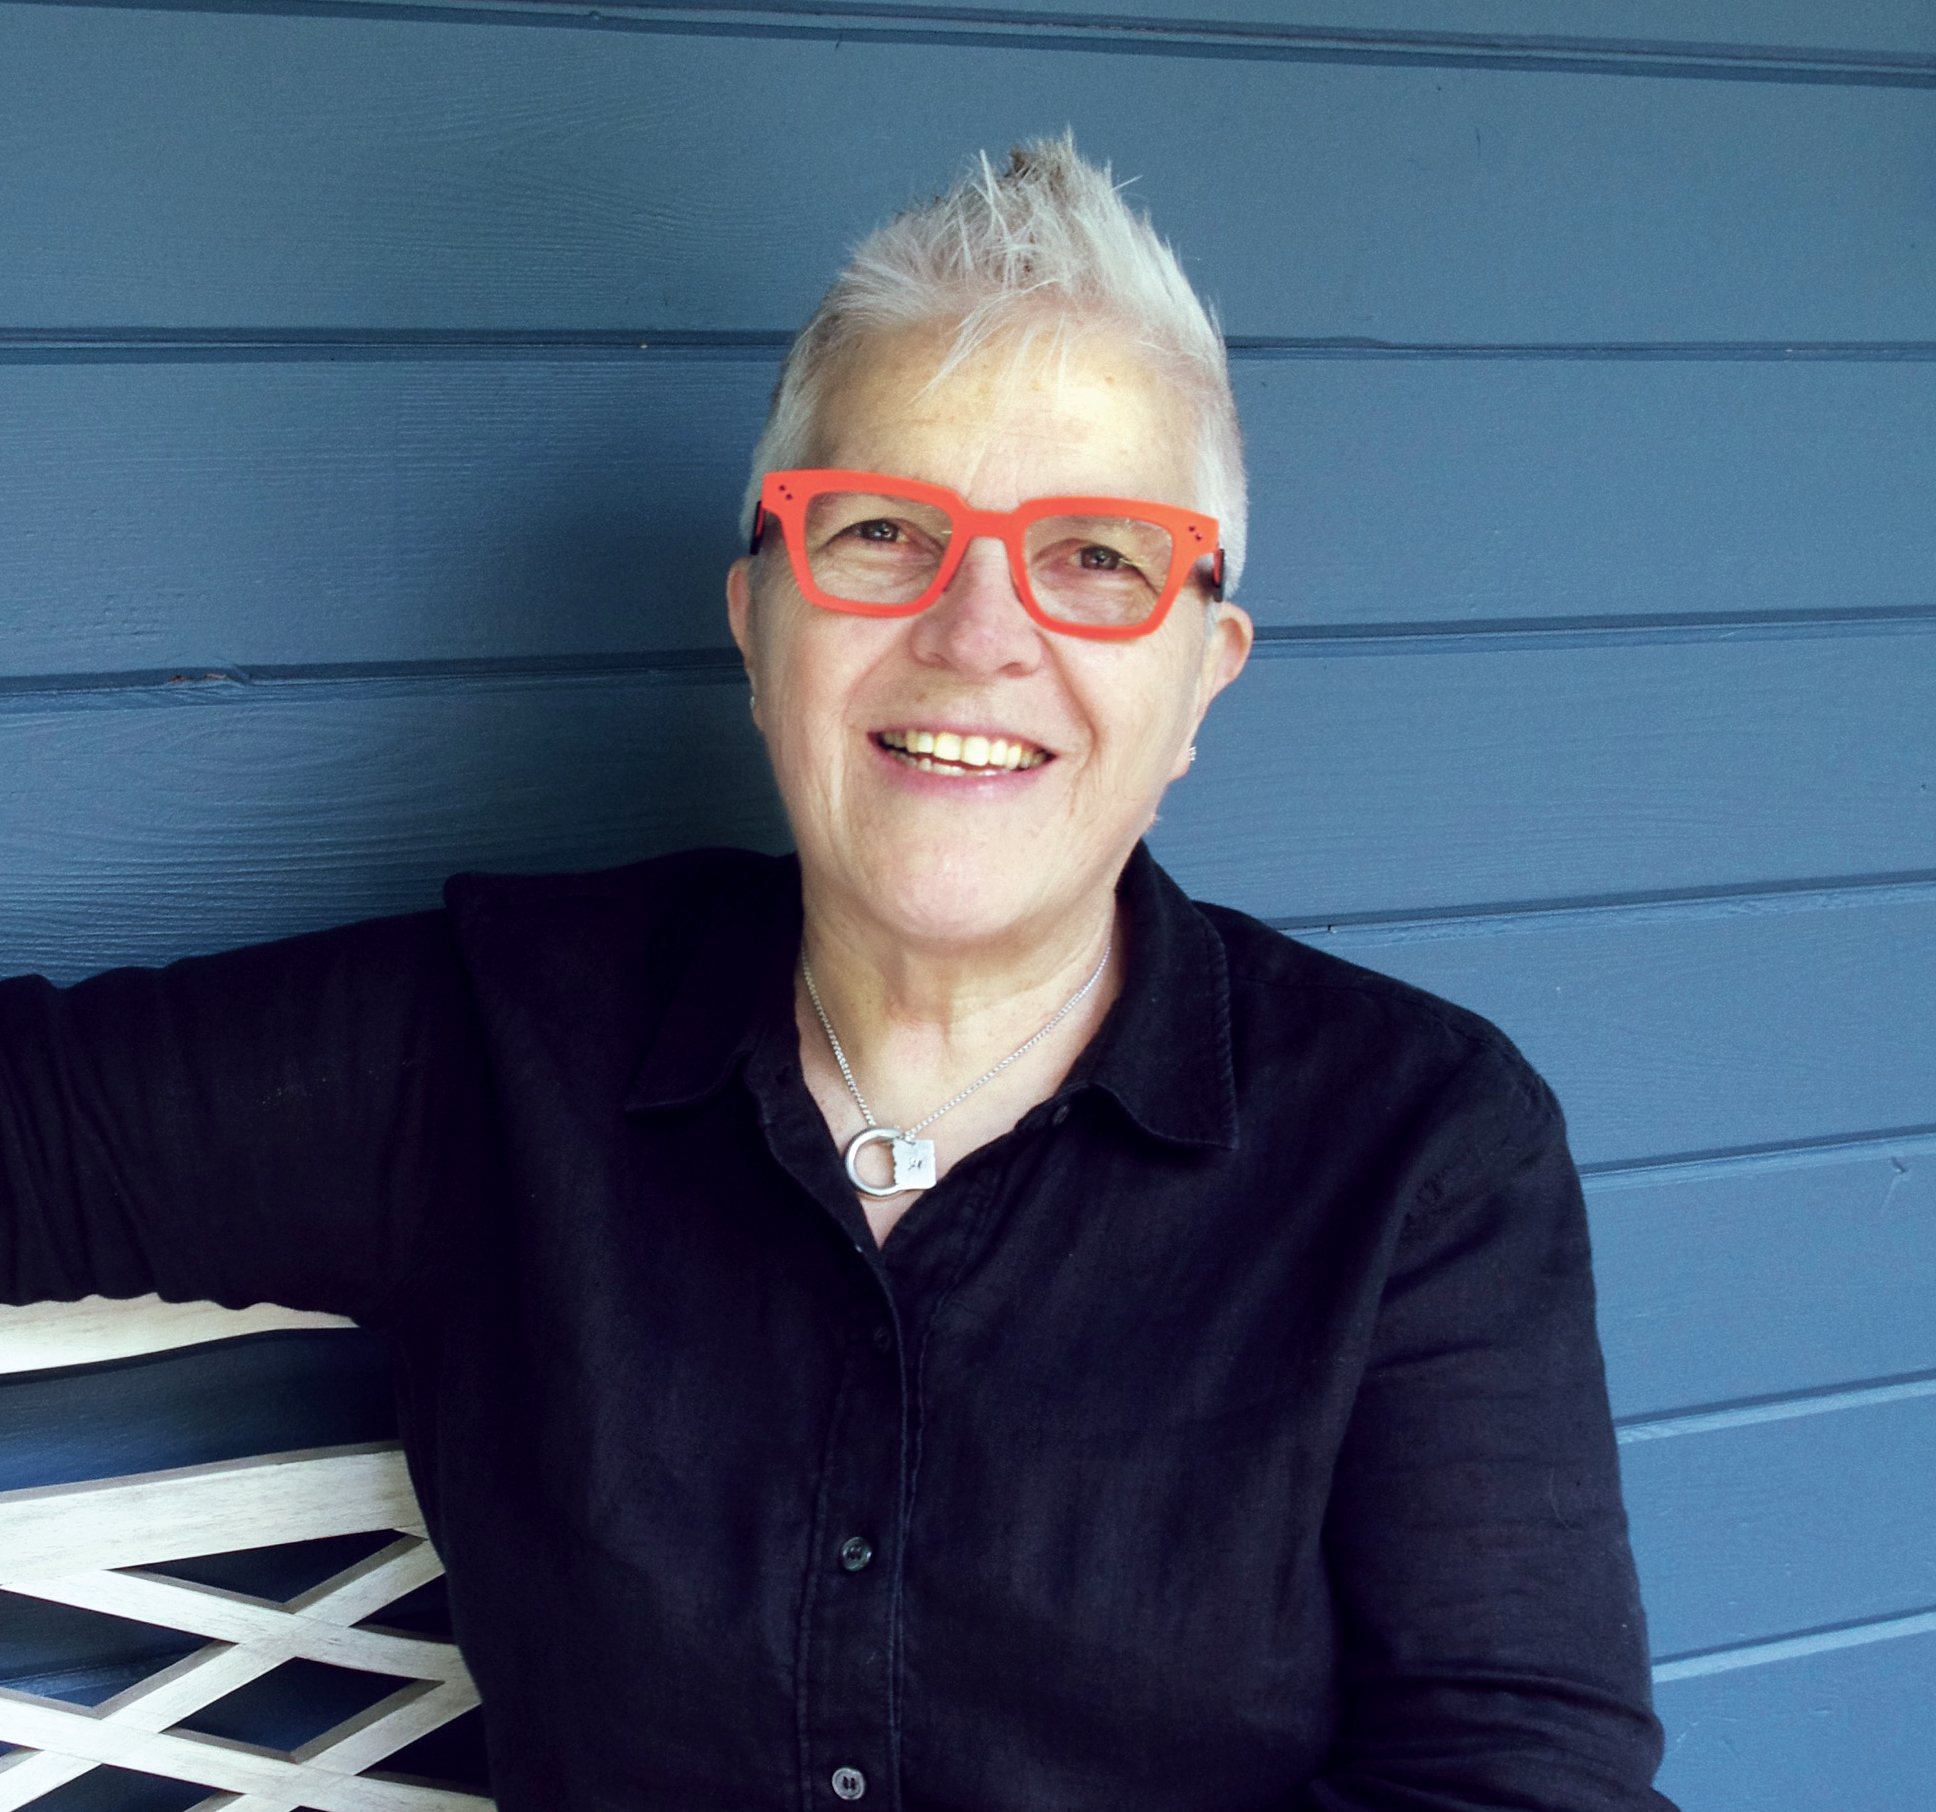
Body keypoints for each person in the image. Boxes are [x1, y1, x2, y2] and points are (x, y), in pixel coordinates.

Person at [0, 138, 1674, 1809]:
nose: (978, 634)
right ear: (757, 624)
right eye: (882, 530)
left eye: (1098, 557)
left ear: (1202, 676)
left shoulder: (1415, 1147)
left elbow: (1522, 1780)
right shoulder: (503, 1046)